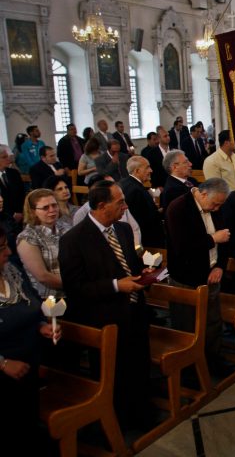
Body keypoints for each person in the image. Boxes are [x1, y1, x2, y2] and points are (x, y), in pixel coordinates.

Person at [59, 180, 153, 430]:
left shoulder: (121, 229)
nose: (125, 206)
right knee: (116, 375)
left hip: (135, 311)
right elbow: (75, 288)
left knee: (140, 367)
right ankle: (118, 423)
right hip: (106, 318)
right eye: (120, 202)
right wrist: (115, 285)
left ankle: (144, 415)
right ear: (102, 206)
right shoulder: (74, 240)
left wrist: (143, 273)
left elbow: (129, 266)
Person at [0, 227, 59, 451]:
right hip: (5, 376)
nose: (8, 252)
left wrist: (41, 326)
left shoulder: (11, 271)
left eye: (6, 245)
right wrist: (3, 363)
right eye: (1, 248)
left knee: (27, 427)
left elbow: (32, 303)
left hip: (29, 369)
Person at [165, 178, 231, 373]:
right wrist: (212, 239)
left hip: (211, 275)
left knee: (213, 323)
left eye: (221, 204)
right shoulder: (178, 208)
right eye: (215, 203)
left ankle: (213, 361)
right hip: (186, 278)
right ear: (202, 194)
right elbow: (182, 247)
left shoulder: (215, 207)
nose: (217, 208)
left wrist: (220, 267)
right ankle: (189, 370)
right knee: (187, 327)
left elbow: (226, 237)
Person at [16, 188, 69, 299]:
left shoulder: (66, 228)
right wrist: (78, 284)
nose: (52, 210)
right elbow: (43, 276)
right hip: (50, 298)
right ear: (33, 211)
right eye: (46, 207)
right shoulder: (27, 237)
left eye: (54, 205)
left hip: (76, 290)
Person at [119, 156, 164, 248]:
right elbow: (143, 220)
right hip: (147, 242)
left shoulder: (126, 183)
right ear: (137, 171)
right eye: (147, 167)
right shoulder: (136, 190)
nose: (151, 170)